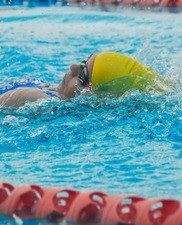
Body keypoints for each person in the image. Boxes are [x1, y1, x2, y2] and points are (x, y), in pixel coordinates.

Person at [0, 52, 167, 108]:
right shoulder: (43, 86)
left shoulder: (36, 98)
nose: (73, 67)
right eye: (83, 63)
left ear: (96, 99)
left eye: (82, 77)